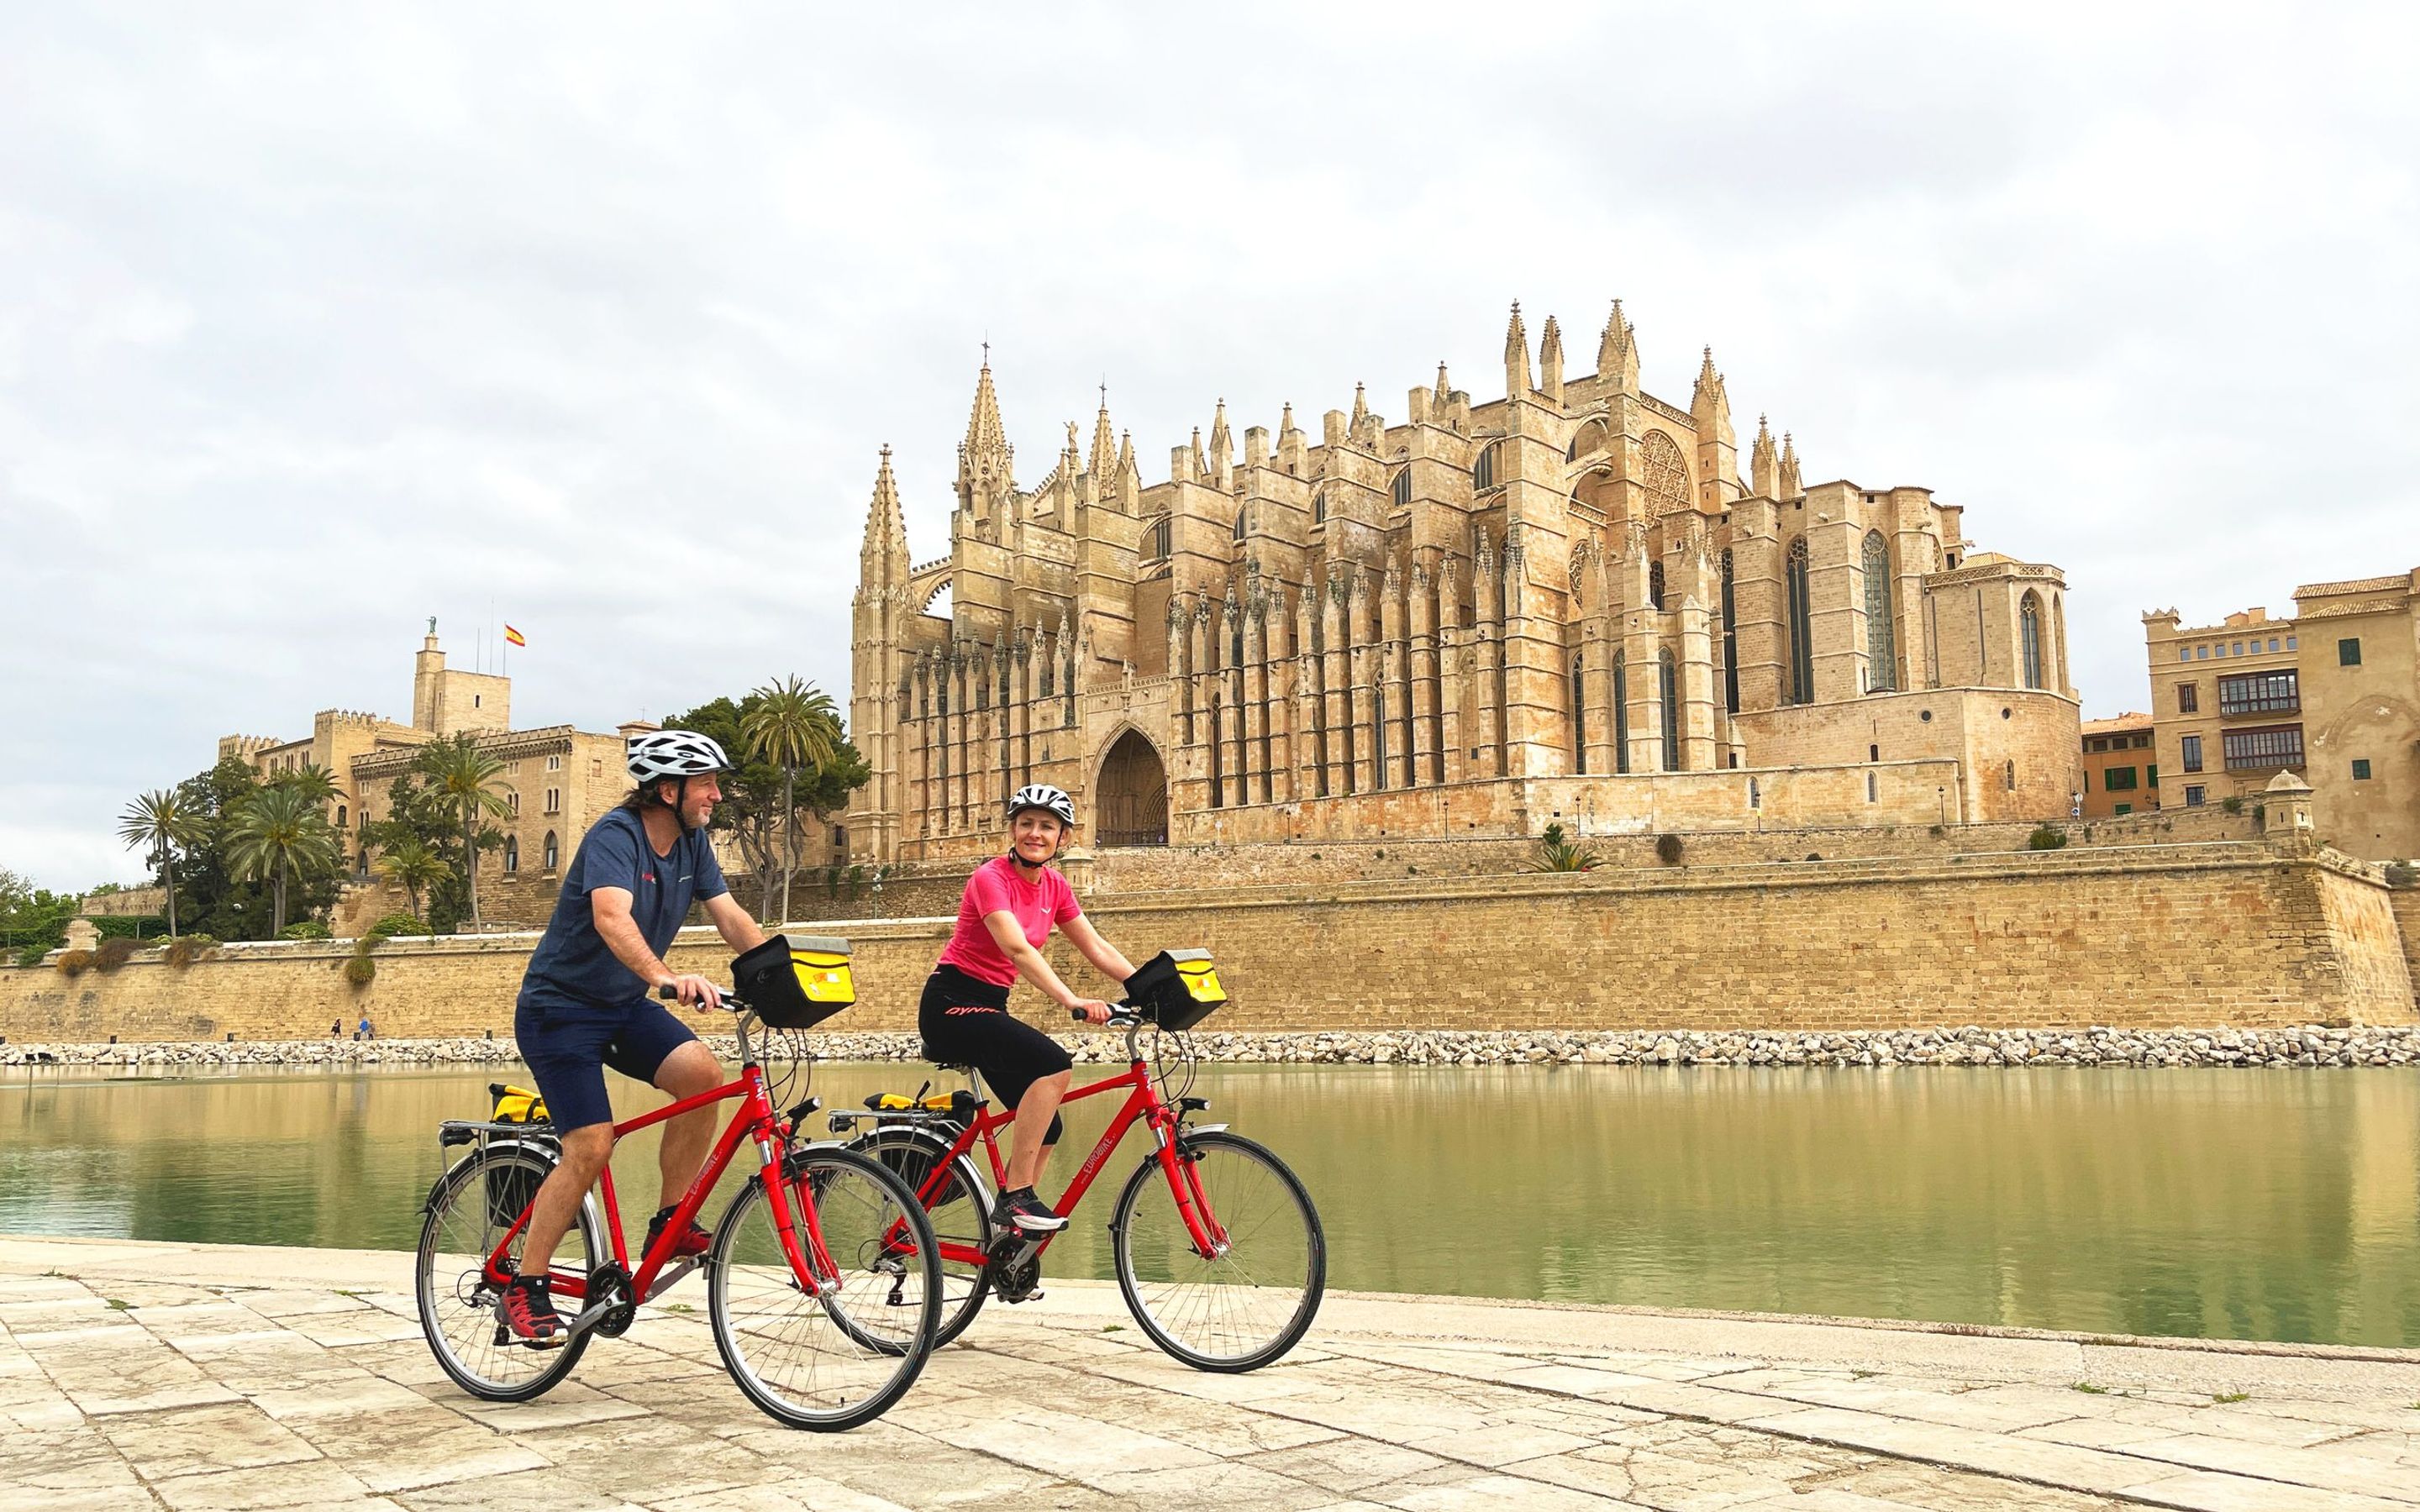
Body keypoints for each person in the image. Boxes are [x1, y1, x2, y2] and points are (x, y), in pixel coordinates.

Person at [498, 729, 768, 1346]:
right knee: (590, 1146)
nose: (717, 796)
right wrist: (666, 978)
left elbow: (730, 916)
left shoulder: (692, 844)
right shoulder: (615, 837)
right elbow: (611, 917)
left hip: (619, 1006)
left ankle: (670, 1219)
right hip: (558, 1011)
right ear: (667, 790)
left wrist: (783, 974)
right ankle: (527, 1284)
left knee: (702, 1075)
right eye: (707, 784)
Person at [922, 784, 1136, 1237]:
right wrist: (1072, 1000)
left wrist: (1148, 987)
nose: (1035, 833)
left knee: (1049, 1126)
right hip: (951, 1005)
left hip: (989, 1008)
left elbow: (1096, 946)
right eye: (1026, 824)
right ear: (1013, 829)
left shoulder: (1055, 886)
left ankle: (1010, 1241)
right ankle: (1016, 1197)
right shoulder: (990, 878)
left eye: (1047, 826)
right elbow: (1017, 949)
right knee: (1053, 1065)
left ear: (1063, 838)